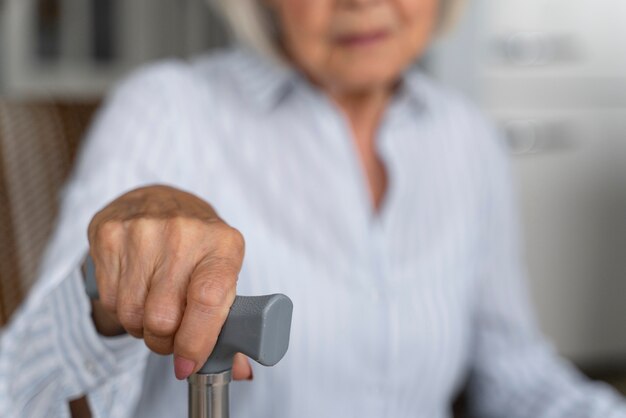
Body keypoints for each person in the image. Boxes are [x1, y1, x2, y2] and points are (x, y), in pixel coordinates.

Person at [1, 0, 625, 417]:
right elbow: (20, 381)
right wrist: (113, 273)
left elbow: (514, 373)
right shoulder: (168, 107)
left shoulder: (467, 138)